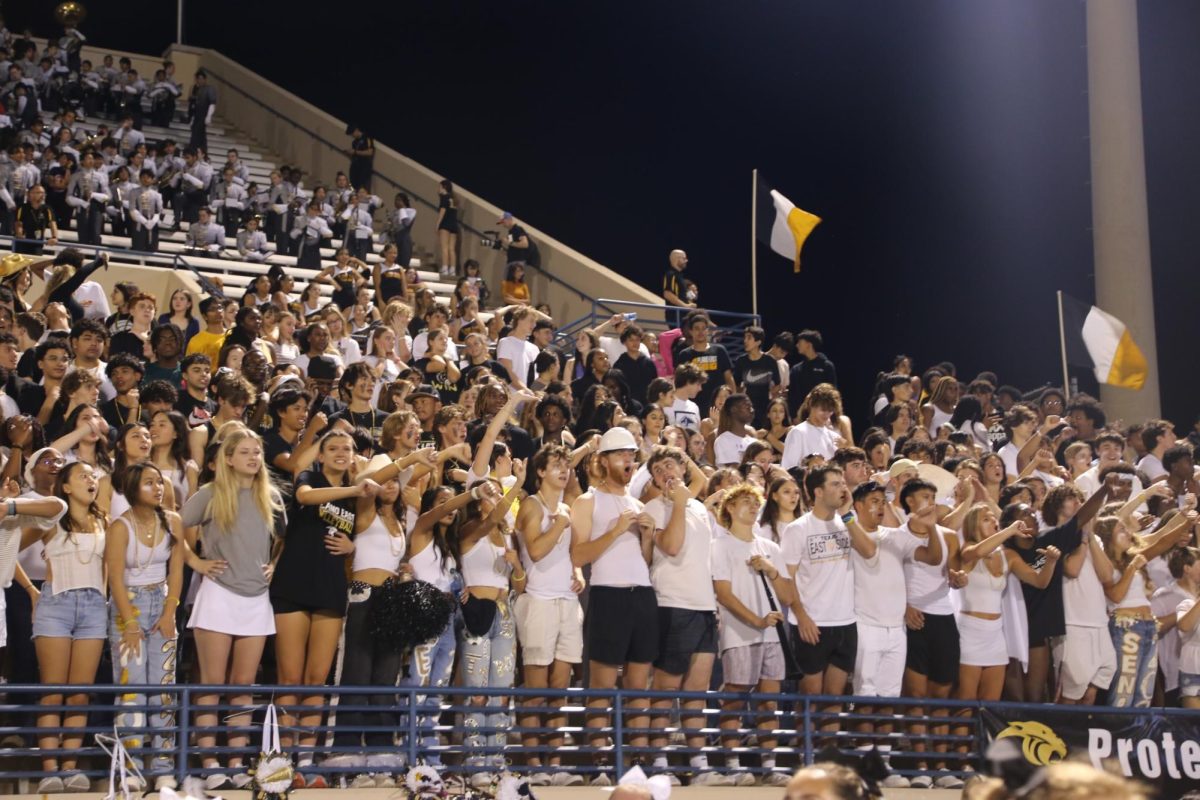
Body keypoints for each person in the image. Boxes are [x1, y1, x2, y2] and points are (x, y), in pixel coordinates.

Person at [270, 429, 375, 786]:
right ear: (322, 454)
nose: (341, 453)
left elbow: (367, 537)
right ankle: (282, 760)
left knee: (317, 679)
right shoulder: (311, 477)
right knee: (290, 678)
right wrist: (353, 489)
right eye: (333, 448)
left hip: (330, 589)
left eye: (346, 448)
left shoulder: (356, 495)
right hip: (294, 585)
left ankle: (306, 763)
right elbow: (305, 496)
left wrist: (353, 547)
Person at [569, 426, 657, 784]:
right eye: (621, 455)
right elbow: (578, 553)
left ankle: (639, 764)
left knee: (639, 686)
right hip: (607, 593)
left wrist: (648, 536)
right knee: (602, 685)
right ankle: (598, 762)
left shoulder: (638, 504)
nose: (629, 461)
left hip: (643, 594)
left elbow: (645, 559)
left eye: (632, 456)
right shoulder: (587, 501)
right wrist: (617, 529)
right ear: (602, 461)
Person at [640, 446, 730, 786]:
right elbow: (672, 546)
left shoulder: (697, 507)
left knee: (697, 691)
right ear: (653, 478)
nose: (667, 471)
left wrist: (714, 603)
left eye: (672, 464)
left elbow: (705, 557)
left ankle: (700, 763)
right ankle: (659, 762)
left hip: (704, 606)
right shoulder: (654, 507)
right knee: (665, 689)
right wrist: (677, 501)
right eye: (659, 468)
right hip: (670, 605)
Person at [103, 462, 188, 792]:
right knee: (132, 689)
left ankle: (163, 766)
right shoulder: (120, 527)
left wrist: (170, 611)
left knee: (163, 687)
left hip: (162, 603)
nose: (158, 488)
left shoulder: (173, 521)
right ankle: (132, 766)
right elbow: (115, 578)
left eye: (159, 482)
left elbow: (177, 572)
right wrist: (131, 622)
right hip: (130, 606)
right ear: (132, 488)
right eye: (149, 483)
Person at [23, 462, 104, 794]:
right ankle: (49, 769)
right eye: (83, 476)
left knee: (79, 693)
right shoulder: (52, 517)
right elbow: (9, 547)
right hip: (56, 604)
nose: (91, 480)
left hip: (95, 606)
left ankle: (70, 768)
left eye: (93, 476)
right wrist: (31, 589)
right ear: (66, 487)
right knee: (53, 690)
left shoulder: (105, 521)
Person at [711, 483, 794, 786]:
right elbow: (723, 593)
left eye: (755, 502)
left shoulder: (771, 549)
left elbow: (787, 595)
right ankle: (733, 764)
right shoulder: (720, 545)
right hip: (738, 633)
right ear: (730, 508)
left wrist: (772, 570)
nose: (753, 506)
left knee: (768, 701)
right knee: (735, 698)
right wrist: (757, 621)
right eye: (745, 501)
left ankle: (769, 767)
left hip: (772, 636)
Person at [674, 313, 734, 418]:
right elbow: (679, 382)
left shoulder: (720, 350)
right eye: (697, 328)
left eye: (703, 328)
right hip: (692, 408)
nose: (700, 332)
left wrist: (733, 401)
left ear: (708, 331)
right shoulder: (684, 354)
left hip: (719, 407)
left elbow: (729, 378)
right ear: (690, 331)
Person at [735, 326, 780, 429]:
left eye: (749, 338)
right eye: (745, 337)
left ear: (758, 342)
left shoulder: (770, 361)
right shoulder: (741, 361)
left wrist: (772, 398)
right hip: (747, 409)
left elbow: (777, 384)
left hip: (765, 408)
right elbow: (736, 385)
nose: (745, 341)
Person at [787, 330, 837, 419]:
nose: (797, 345)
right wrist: (794, 416)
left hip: (823, 415)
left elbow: (832, 393)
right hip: (801, 417)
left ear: (808, 344)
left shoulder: (826, 366)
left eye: (800, 342)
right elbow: (792, 396)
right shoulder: (796, 369)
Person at [188, 70, 217, 153]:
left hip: (203, 114)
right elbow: (194, 104)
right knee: (199, 134)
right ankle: (200, 150)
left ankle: (195, 150)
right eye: (198, 79)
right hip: (196, 115)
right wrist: (192, 117)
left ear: (205, 79)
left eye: (201, 78)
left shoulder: (209, 89)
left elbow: (212, 103)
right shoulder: (197, 89)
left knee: (197, 133)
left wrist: (209, 116)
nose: (199, 80)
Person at [435, 179, 459, 278]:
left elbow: (442, 211)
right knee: (451, 249)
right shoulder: (453, 199)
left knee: (444, 247)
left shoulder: (444, 197)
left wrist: (437, 224)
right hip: (454, 225)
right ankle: (452, 269)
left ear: (443, 187)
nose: (438, 189)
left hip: (445, 224)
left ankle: (445, 268)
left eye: (439, 186)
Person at [346, 125, 374, 192]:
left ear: (356, 130)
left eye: (352, 133)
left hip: (364, 168)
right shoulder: (354, 142)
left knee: (363, 188)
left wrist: (355, 152)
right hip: (355, 169)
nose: (352, 135)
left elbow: (370, 152)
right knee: (354, 188)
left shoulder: (366, 138)